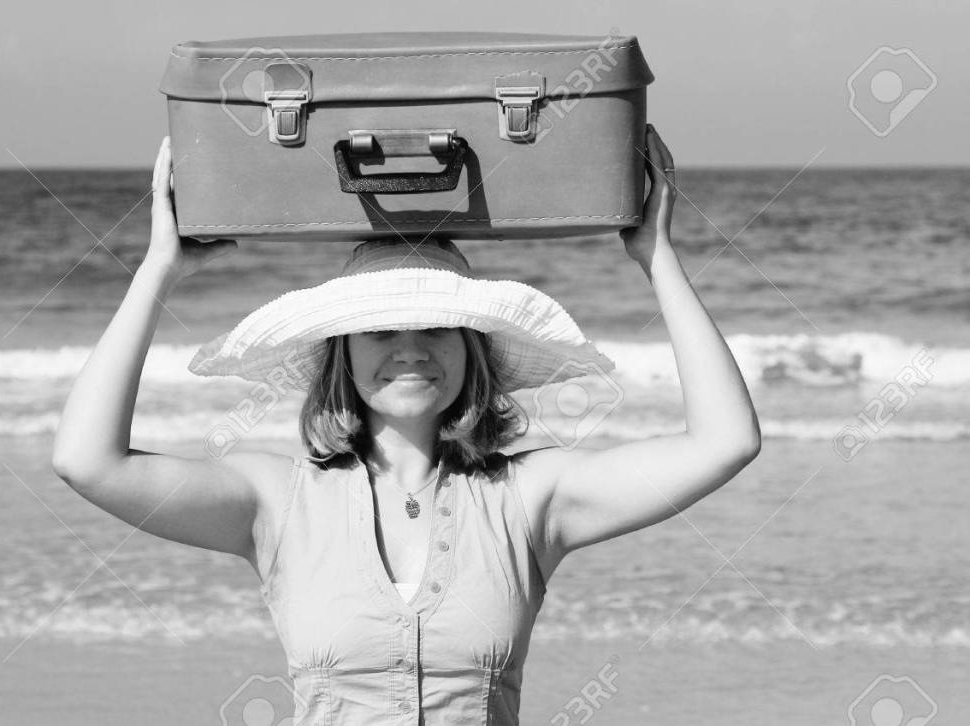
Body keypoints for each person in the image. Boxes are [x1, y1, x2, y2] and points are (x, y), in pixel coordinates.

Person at [52, 125, 761, 724]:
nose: (411, 348)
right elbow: (87, 461)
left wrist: (657, 257)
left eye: (437, 328)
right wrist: (157, 269)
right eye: (381, 330)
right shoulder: (277, 501)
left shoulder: (527, 497)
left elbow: (725, 442)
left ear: (470, 349)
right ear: (344, 357)